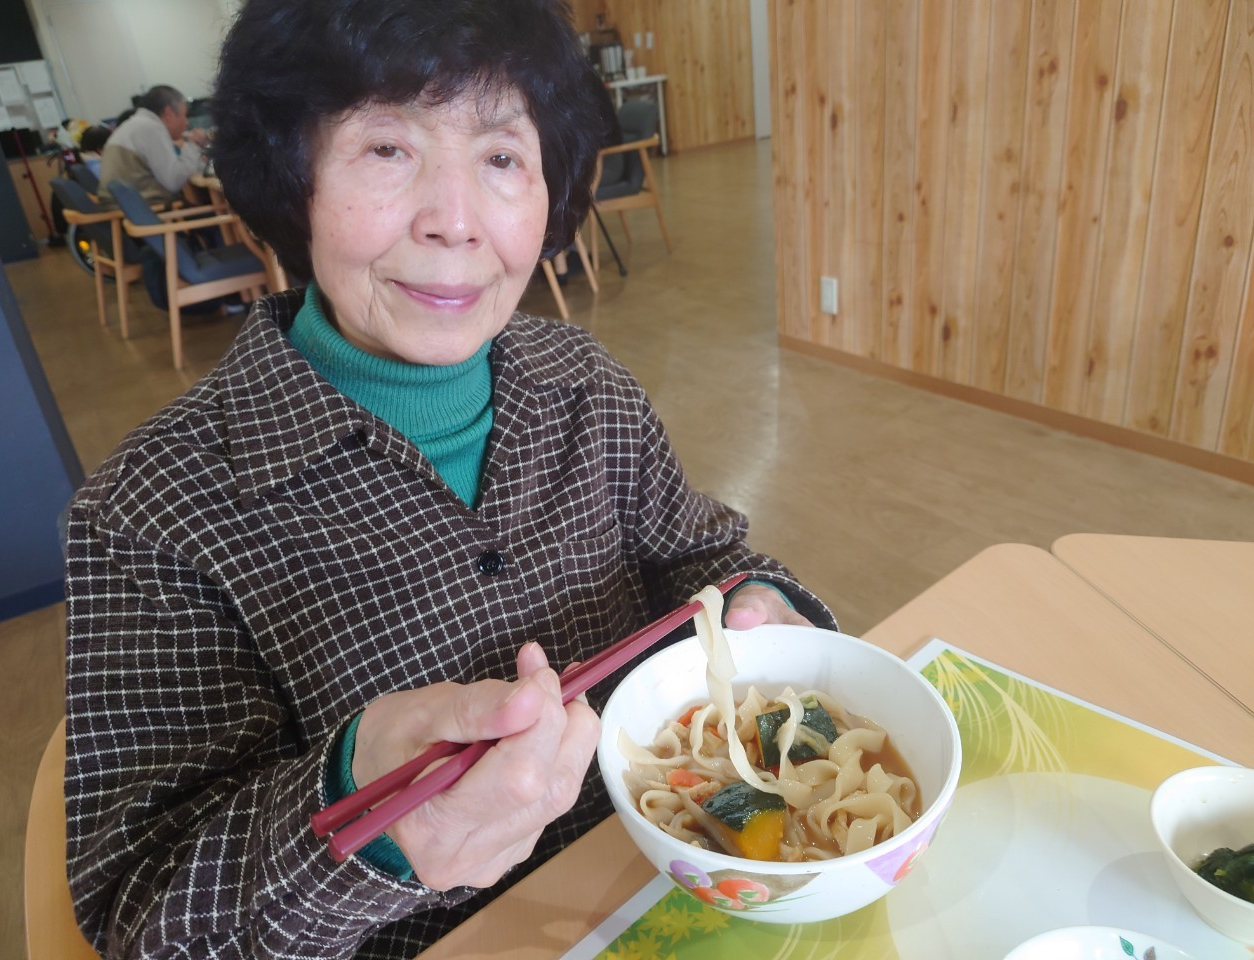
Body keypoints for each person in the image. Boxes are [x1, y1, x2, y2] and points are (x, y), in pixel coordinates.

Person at [63, 1, 835, 957]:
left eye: (502, 156)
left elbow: (703, 561)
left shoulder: (587, 385)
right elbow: (143, 918)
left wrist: (762, 603)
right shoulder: (150, 513)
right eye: (388, 149)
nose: (456, 223)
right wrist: (367, 819)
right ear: (294, 178)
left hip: (669, 884)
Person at [97, 84, 208, 204]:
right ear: (168, 113)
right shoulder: (151, 128)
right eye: (184, 116)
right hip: (141, 209)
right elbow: (175, 181)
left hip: (126, 207)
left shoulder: (138, 124)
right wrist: (193, 144)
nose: (186, 123)